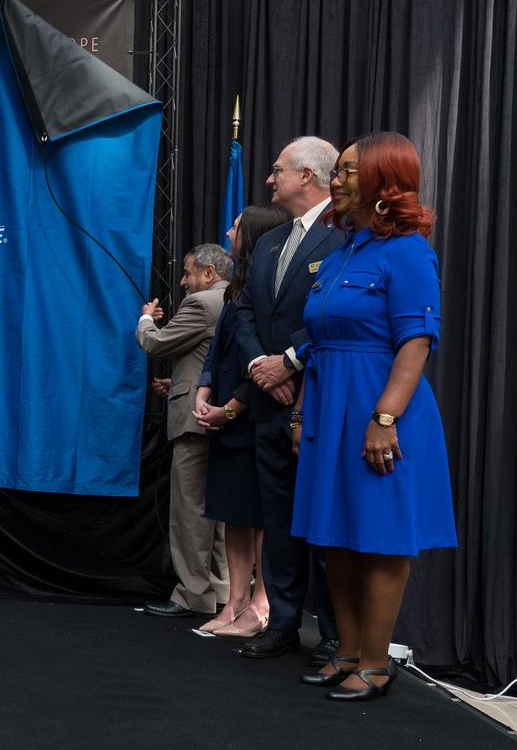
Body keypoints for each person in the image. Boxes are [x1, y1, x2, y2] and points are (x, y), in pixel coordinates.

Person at [292, 132, 456, 701]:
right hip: (329, 410)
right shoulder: (343, 253)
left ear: (385, 182)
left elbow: (416, 342)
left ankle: (376, 663)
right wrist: (302, 416)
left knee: (381, 538)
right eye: (336, 170)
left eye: (347, 171)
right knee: (335, 536)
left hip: (381, 413)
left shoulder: (408, 252)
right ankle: (347, 652)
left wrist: (384, 419)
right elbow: (319, 343)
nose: (335, 180)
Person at [231, 136, 345, 663]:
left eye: (278, 170)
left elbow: (337, 314)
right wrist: (262, 365)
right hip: (267, 402)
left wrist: (290, 363)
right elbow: (246, 311)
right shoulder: (272, 240)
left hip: (317, 399)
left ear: (307, 176)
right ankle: (282, 624)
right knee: (277, 521)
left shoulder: (344, 237)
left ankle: (335, 635)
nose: (269, 179)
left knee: (323, 520)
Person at [192, 204, 291, 637]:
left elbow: (265, 361)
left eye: (235, 227)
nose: (228, 233)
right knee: (233, 513)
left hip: (255, 417)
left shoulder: (271, 290)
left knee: (261, 516)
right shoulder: (236, 288)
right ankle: (234, 601)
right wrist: (204, 389)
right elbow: (219, 349)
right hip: (227, 421)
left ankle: (261, 603)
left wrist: (232, 407)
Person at [135, 243, 233, 618]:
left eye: (188, 272)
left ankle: (193, 594)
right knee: (217, 512)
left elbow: (155, 343)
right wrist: (177, 382)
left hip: (195, 420)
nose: (182, 281)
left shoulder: (202, 303)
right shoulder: (234, 299)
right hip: (222, 414)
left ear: (209, 273)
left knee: (190, 512)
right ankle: (222, 592)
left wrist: (146, 319)